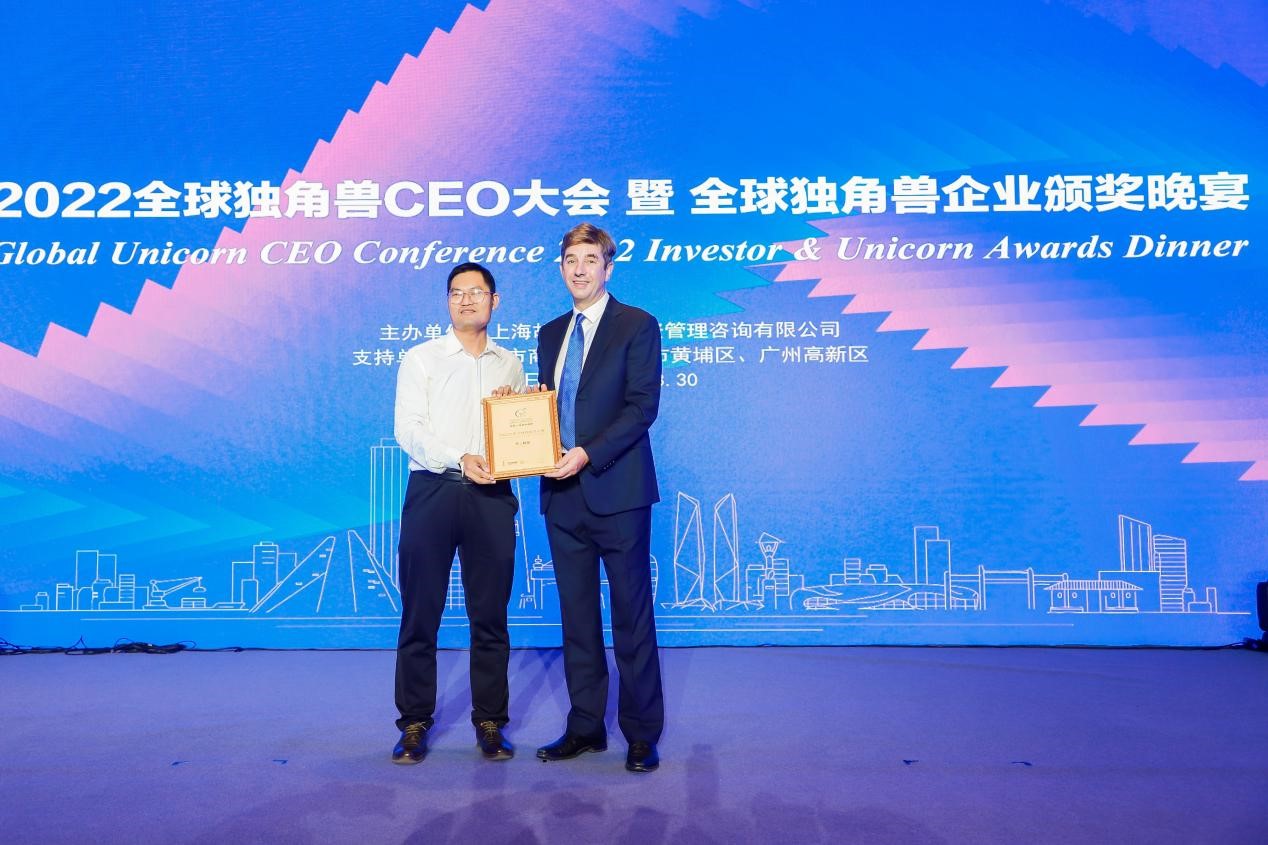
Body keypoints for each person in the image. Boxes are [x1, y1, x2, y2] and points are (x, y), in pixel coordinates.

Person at [535, 222, 665, 773]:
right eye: (571, 260)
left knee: (631, 617)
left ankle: (641, 733)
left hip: (619, 491)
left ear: (608, 267)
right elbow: (548, 408)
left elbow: (641, 407)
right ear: (561, 268)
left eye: (591, 259)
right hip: (561, 494)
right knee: (577, 618)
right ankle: (586, 725)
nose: (580, 269)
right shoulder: (549, 333)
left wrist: (587, 453)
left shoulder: (637, 325)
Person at [391, 261, 525, 764]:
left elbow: (519, 433)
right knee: (420, 613)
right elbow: (408, 429)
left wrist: (518, 421)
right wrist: (458, 457)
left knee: (490, 616)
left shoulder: (510, 364)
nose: (466, 300)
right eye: (456, 292)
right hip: (433, 491)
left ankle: (490, 720)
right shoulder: (421, 358)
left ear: (495, 301)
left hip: (492, 497)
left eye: (476, 292)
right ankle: (414, 722)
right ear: (448, 302)